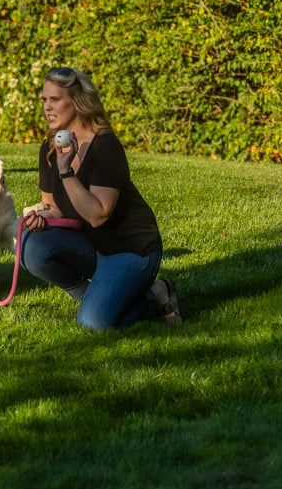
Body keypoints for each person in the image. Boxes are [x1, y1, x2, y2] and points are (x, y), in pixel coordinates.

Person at [20, 66, 182, 331]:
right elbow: (54, 208)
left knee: (93, 324)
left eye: (55, 99)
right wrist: (41, 218)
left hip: (130, 250)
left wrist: (66, 172)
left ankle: (157, 291)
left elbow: (98, 214)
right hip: (92, 246)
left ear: (77, 101)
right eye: (44, 100)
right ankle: (92, 297)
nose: (47, 107)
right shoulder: (51, 147)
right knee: (29, 243)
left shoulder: (105, 146)